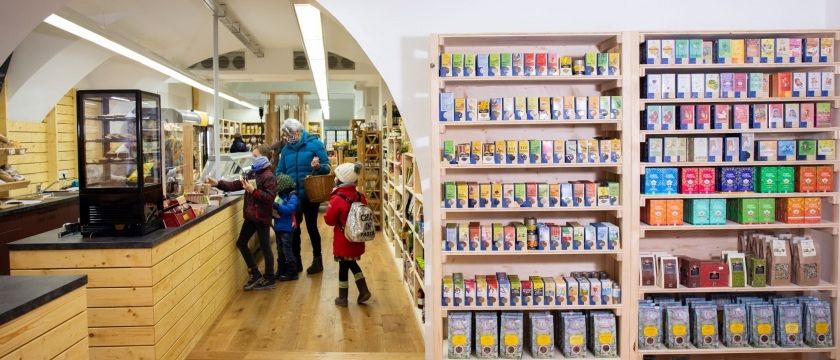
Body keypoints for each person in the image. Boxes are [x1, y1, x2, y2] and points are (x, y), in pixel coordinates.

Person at [206, 144, 277, 290]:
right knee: (241, 243)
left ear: (264, 158)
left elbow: (270, 198)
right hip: (251, 216)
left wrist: (253, 191)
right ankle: (255, 273)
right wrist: (218, 183)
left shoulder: (269, 176)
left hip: (262, 216)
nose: (253, 159)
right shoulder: (252, 173)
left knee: (265, 247)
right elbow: (235, 185)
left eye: (255, 156)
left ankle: (270, 278)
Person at [275, 118, 330, 275]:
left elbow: (327, 167)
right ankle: (296, 261)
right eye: (285, 135)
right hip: (293, 197)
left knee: (312, 227)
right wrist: (282, 181)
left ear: (297, 132)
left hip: (311, 194)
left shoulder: (315, 144)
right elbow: (279, 171)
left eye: (288, 134)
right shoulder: (286, 150)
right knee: (295, 229)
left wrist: (319, 166)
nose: (287, 137)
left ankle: (317, 261)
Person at [323, 163, 371, 307]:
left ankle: (343, 298)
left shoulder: (337, 199)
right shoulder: (360, 196)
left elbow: (330, 220)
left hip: (343, 239)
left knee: (344, 267)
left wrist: (328, 209)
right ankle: (363, 290)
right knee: (351, 264)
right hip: (356, 238)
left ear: (340, 180)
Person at [272, 174, 299, 281]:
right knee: (280, 249)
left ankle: (292, 272)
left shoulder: (293, 197)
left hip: (287, 227)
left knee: (287, 249)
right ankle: (281, 269)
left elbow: (290, 209)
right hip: (279, 227)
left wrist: (277, 206)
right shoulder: (280, 196)